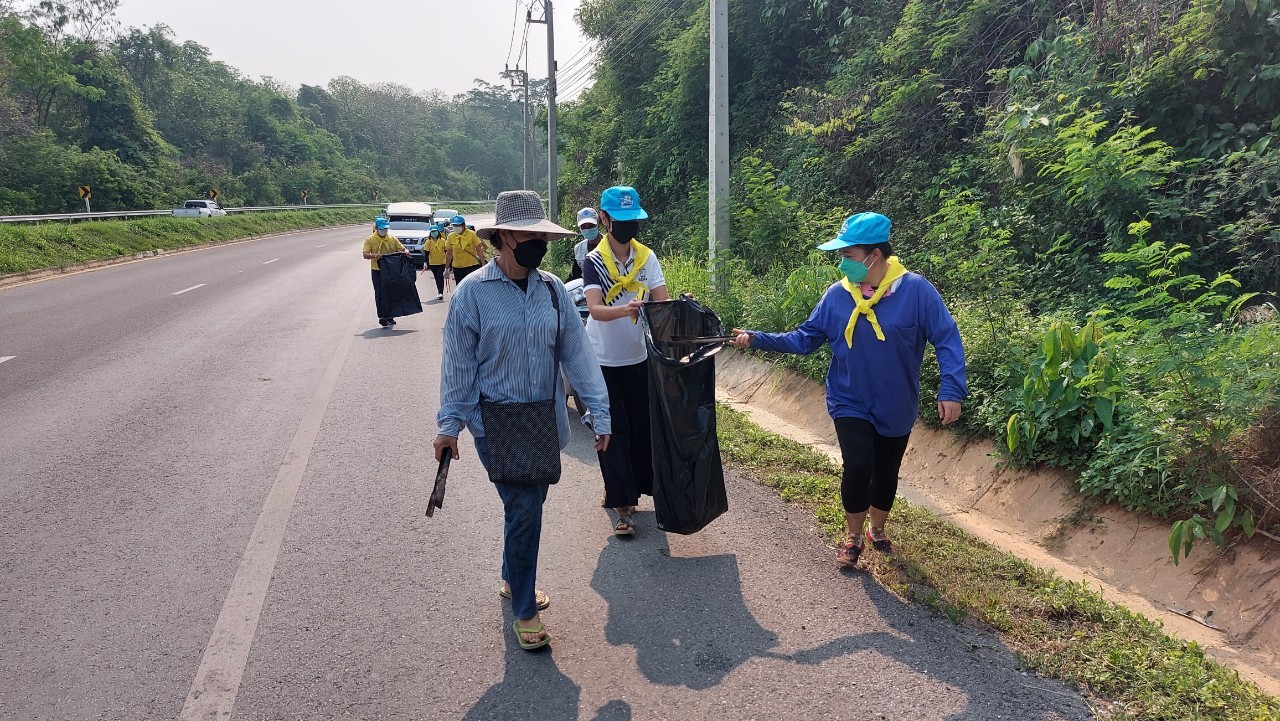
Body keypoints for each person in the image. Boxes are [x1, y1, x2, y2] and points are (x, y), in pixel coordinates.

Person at [730, 212, 967, 568]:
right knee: (858, 465)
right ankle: (853, 537)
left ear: (875, 255)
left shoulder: (916, 292)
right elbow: (805, 338)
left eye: (848, 255)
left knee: (886, 470)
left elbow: (946, 338)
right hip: (849, 398)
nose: (843, 263)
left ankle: (876, 529)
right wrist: (757, 338)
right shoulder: (837, 296)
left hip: (896, 401)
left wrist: (951, 389)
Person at [434, 189, 612, 651]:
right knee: (525, 508)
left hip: (543, 420)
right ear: (504, 237)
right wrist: (449, 426)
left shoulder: (553, 290)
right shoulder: (473, 294)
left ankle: (513, 575)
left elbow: (577, 354)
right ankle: (525, 609)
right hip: (495, 422)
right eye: (529, 236)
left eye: (542, 237)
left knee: (527, 507)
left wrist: (599, 411)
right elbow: (458, 366)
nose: (539, 244)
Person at [582, 186, 670, 536]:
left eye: (633, 220)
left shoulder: (647, 258)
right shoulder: (594, 261)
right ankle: (622, 507)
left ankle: (628, 488)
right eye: (620, 220)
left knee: (639, 429)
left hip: (637, 358)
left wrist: (675, 307)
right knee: (612, 430)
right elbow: (595, 309)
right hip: (601, 360)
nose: (628, 226)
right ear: (604, 219)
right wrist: (626, 309)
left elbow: (661, 302)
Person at [361, 216, 409, 327]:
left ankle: (390, 316)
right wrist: (374, 256)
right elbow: (365, 255)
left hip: (391, 271)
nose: (384, 231)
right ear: (377, 228)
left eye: (386, 229)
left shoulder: (392, 239)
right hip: (377, 270)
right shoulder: (370, 240)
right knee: (379, 294)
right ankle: (382, 316)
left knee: (391, 293)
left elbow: (402, 249)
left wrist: (406, 251)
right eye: (382, 229)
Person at [445, 214, 485, 285]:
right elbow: (449, 253)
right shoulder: (451, 236)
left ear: (463, 225)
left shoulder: (472, 234)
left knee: (473, 286)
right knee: (460, 287)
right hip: (458, 267)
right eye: (454, 225)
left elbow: (479, 249)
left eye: (458, 225)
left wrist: (483, 264)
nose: (456, 227)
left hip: (472, 266)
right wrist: (446, 268)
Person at [566, 207, 602, 282]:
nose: (588, 229)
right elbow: (576, 275)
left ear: (598, 223)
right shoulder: (578, 248)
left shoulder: (611, 245)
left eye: (591, 225)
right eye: (584, 227)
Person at [425, 226, 448, 300]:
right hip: (433, 263)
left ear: (438, 232)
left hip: (442, 262)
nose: (434, 233)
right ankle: (439, 291)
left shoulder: (443, 241)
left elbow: (447, 251)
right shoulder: (428, 241)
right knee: (436, 278)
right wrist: (425, 262)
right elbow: (426, 253)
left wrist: (448, 263)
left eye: (435, 231)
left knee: (440, 276)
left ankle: (441, 293)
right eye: (432, 232)